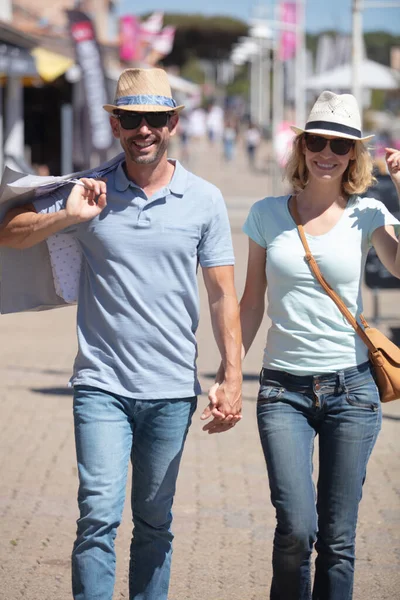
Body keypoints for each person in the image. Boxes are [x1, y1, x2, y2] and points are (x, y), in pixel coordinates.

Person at [0, 68, 242, 600]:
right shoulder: (90, 190)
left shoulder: (205, 200)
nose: (144, 129)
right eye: (132, 118)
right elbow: (10, 231)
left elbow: (223, 294)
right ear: (115, 124)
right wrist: (65, 214)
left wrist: (232, 375)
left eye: (155, 118)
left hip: (172, 391)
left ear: (173, 122)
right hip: (101, 386)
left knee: (154, 522)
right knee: (98, 517)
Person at [240, 90, 400, 599]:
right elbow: (250, 303)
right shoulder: (266, 214)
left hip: (352, 392)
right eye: (317, 140)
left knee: (338, 539)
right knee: (295, 528)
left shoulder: (368, 213)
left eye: (340, 143)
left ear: (354, 153)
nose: (326, 151)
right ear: (301, 145)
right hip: (281, 391)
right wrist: (227, 373)